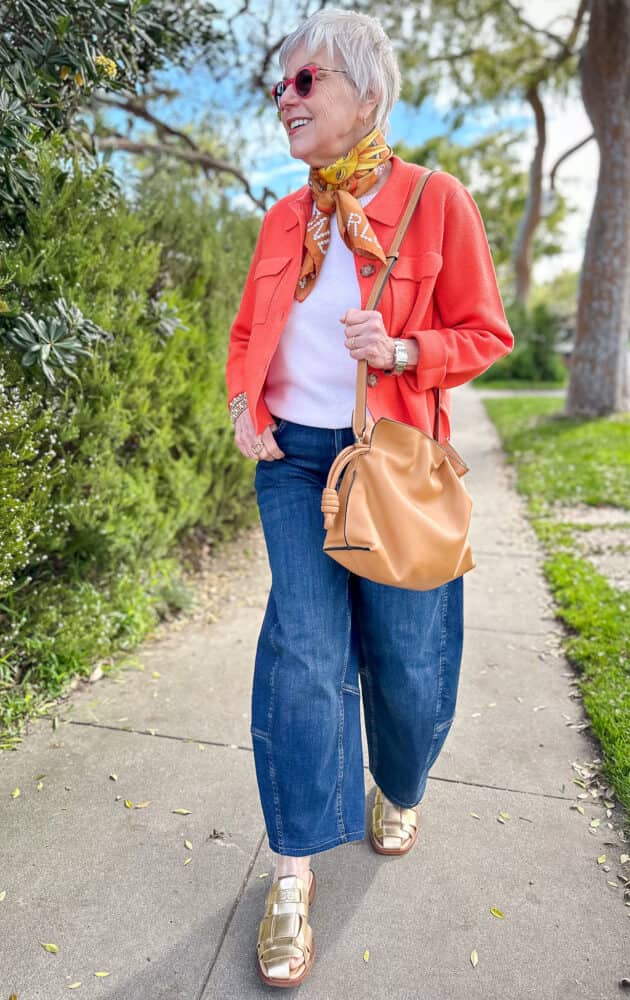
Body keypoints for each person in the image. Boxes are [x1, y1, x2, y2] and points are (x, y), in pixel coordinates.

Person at [225, 8, 513, 988]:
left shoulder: (437, 201)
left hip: (390, 460)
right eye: (281, 85)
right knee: (304, 656)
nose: (285, 97)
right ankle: (294, 872)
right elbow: (245, 331)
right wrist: (241, 398)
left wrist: (402, 351)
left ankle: (398, 781)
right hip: (294, 466)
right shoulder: (280, 216)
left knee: (403, 657)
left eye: (304, 81)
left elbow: (484, 332)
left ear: (365, 95)